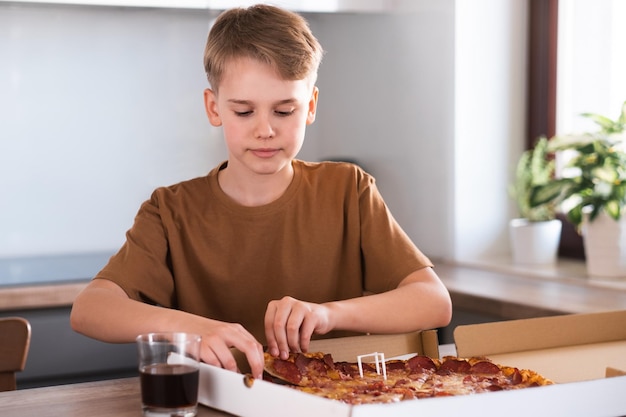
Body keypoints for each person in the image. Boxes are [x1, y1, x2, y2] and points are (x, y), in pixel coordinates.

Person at [70, 4, 452, 380]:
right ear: (214, 107)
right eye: (244, 111)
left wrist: (328, 314)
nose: (265, 130)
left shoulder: (348, 189)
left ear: (311, 106)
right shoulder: (170, 211)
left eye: (284, 111)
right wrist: (190, 328)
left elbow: (434, 302)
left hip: (334, 400)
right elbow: (90, 309)